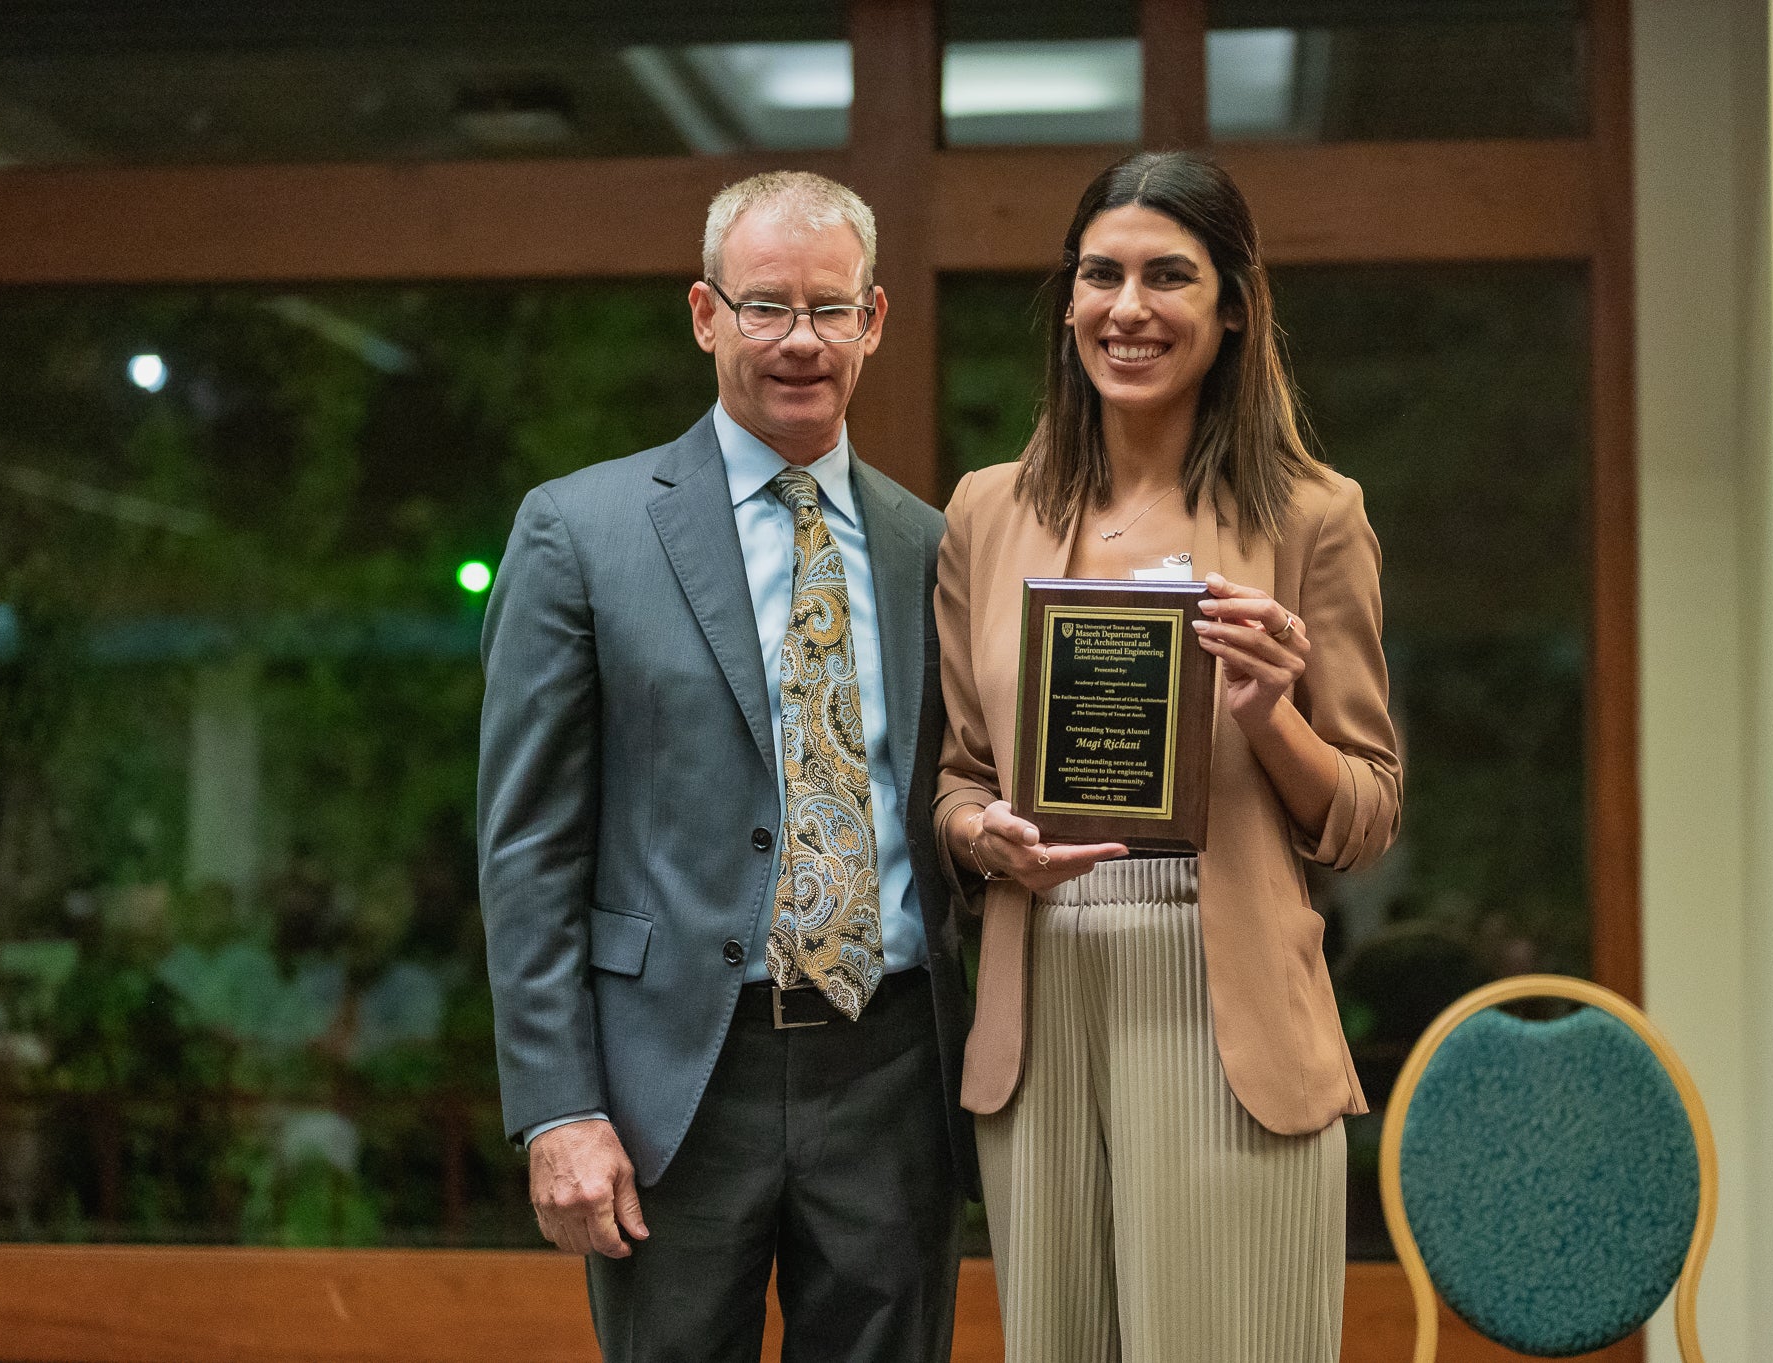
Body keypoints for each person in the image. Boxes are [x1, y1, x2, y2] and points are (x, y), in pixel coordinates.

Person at [478, 170, 975, 1363]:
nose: (797, 341)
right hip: (674, 1085)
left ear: (873, 321)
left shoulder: (933, 545)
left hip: (892, 1069)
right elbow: (527, 848)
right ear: (706, 315)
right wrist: (557, 1104)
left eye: (826, 308)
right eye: (764, 307)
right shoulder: (579, 531)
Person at [931, 150, 1403, 1362]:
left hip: (1219, 1002)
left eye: (1165, 276)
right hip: (1037, 1007)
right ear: (1068, 299)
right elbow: (957, 776)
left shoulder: (1311, 513)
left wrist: (1266, 711)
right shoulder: (984, 511)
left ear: (1231, 304)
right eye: (1099, 275)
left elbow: (1364, 810)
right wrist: (979, 835)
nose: (1125, 308)